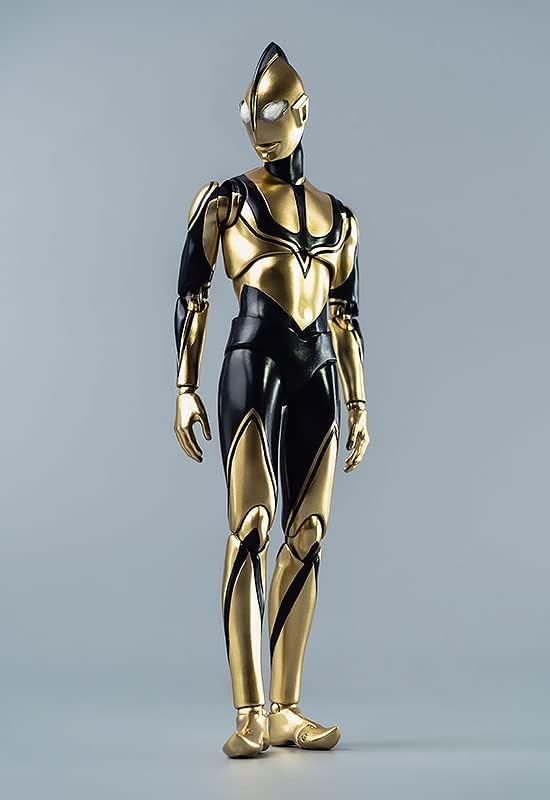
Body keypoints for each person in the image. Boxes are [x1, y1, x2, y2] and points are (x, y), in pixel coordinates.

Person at [174, 42, 369, 758]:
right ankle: (250, 711)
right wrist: (184, 387)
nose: (261, 127)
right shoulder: (226, 201)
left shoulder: (340, 217)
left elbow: (346, 315)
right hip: (252, 363)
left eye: (275, 111)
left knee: (308, 531)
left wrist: (361, 404)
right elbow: (192, 294)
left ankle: (285, 707)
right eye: (251, 113)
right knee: (251, 525)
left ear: (302, 113)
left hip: (319, 371)